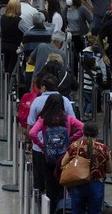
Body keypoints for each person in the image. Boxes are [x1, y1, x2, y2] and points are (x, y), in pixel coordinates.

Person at [29, 94, 84, 214]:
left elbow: (32, 133)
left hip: (48, 157)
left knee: (49, 185)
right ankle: (61, 208)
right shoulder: (67, 118)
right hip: (64, 157)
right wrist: (70, 139)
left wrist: (42, 145)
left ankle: (50, 210)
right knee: (63, 185)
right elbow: (82, 128)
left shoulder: (44, 119)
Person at [27, 75, 75, 204]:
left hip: (40, 148)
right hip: (62, 149)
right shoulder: (65, 100)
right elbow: (75, 123)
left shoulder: (37, 102)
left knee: (40, 177)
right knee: (59, 177)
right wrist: (69, 139)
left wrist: (39, 144)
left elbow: (31, 126)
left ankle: (39, 204)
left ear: (43, 87)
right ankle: (58, 204)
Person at [61, 122, 112, 214]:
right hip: (96, 184)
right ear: (97, 132)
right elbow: (109, 170)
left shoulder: (75, 146)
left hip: (78, 182)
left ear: (83, 132)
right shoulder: (103, 148)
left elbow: (63, 163)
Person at [63, 0, 93, 74]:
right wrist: (65, 28)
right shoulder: (66, 9)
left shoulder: (82, 9)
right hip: (70, 37)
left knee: (83, 58)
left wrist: (90, 31)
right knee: (73, 60)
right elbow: (64, 21)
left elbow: (91, 21)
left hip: (81, 37)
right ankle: (74, 76)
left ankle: (85, 75)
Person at [1, 0, 24, 77]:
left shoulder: (2, 18)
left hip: (3, 45)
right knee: (12, 67)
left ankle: (5, 80)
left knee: (6, 65)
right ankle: (11, 82)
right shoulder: (19, 20)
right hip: (15, 47)